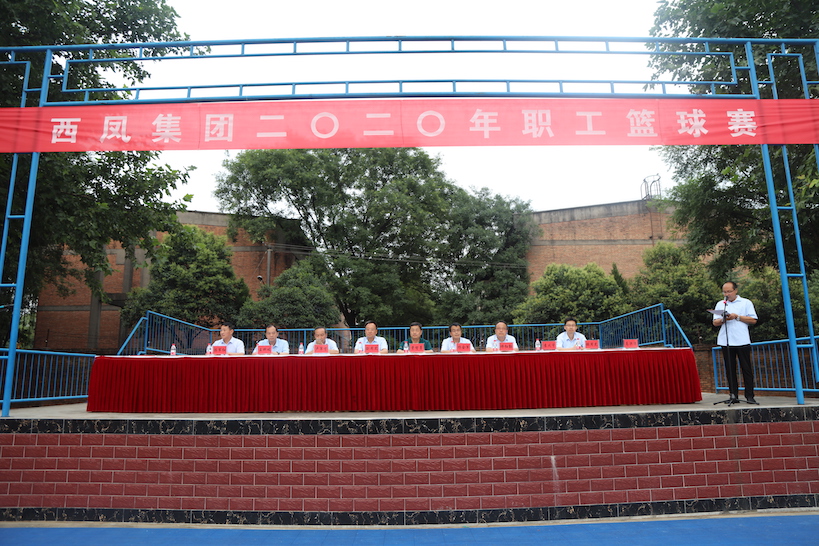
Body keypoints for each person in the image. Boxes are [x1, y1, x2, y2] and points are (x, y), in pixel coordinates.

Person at [712, 281, 758, 404]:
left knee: (746, 368)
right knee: (730, 369)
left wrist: (737, 317)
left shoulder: (746, 302)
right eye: (724, 292)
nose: (727, 294)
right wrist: (724, 319)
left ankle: (750, 396)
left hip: (742, 340)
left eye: (729, 291)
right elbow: (715, 322)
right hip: (726, 340)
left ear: (735, 290)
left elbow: (753, 319)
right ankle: (733, 395)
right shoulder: (721, 304)